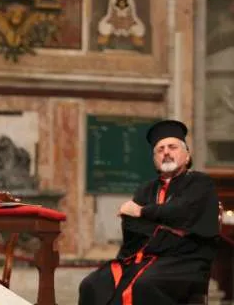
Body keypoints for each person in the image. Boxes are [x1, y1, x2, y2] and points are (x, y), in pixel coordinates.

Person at [78, 119, 219, 305]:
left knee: (144, 285)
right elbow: (131, 227)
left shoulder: (200, 183)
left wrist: (143, 212)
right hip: (142, 259)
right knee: (91, 284)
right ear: (155, 160)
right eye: (160, 150)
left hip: (184, 262)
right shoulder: (146, 189)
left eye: (172, 147)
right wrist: (166, 225)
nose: (166, 152)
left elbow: (182, 211)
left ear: (186, 155)